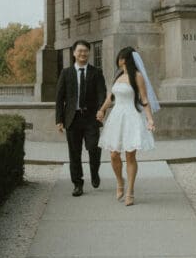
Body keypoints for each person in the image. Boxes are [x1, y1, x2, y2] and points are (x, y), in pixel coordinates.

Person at [96, 46, 158, 206]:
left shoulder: (137, 76)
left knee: (130, 155)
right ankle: (119, 181)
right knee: (114, 155)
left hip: (132, 117)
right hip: (116, 117)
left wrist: (150, 119)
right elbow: (111, 97)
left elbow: (144, 99)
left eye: (121, 57)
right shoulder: (118, 76)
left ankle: (130, 191)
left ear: (125, 59)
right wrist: (102, 110)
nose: (119, 59)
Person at [55, 40, 107, 197]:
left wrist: (101, 110)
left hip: (91, 118)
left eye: (85, 51)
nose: (82, 54)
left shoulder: (96, 72)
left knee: (93, 148)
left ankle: (95, 172)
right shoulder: (66, 73)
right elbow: (59, 98)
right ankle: (78, 184)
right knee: (74, 153)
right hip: (73, 118)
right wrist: (59, 120)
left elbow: (101, 94)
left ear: (89, 53)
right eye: (80, 51)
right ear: (74, 53)